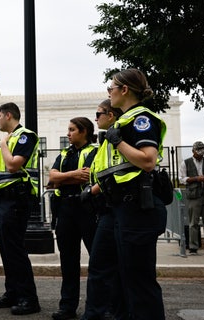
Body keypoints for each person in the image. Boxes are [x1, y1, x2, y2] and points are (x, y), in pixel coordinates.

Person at [91, 68, 167, 319]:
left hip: (137, 209)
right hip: (122, 209)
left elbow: (147, 161)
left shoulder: (140, 119)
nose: (108, 93)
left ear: (124, 90)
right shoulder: (124, 120)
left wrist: (118, 142)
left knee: (139, 281)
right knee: (125, 278)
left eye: (111, 88)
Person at [0, 102, 41, 315]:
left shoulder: (25, 136)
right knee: (7, 250)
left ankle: (29, 298)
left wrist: (3, 145)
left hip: (16, 200)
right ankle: (13, 292)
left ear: (9, 115)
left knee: (15, 251)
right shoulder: (9, 140)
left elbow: (13, 165)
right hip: (2, 200)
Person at [48, 117, 98, 320]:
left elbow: (85, 177)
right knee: (68, 262)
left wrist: (63, 177)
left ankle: (98, 306)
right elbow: (52, 177)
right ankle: (67, 306)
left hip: (87, 208)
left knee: (97, 260)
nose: (68, 133)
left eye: (72, 130)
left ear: (84, 131)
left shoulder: (94, 152)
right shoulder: (64, 153)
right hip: (66, 209)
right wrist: (73, 174)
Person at [81, 100, 125, 320]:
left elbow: (118, 174)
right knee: (102, 265)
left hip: (118, 208)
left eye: (98, 113)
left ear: (111, 115)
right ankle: (99, 312)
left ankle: (104, 312)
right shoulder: (106, 143)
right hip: (105, 209)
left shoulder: (118, 139)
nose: (95, 118)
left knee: (107, 265)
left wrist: (92, 190)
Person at [178, 141, 204, 255]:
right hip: (194, 196)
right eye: (199, 153)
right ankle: (193, 247)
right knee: (193, 223)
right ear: (193, 151)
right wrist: (196, 178)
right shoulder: (185, 163)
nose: (201, 155)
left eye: (202, 153)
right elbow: (181, 179)